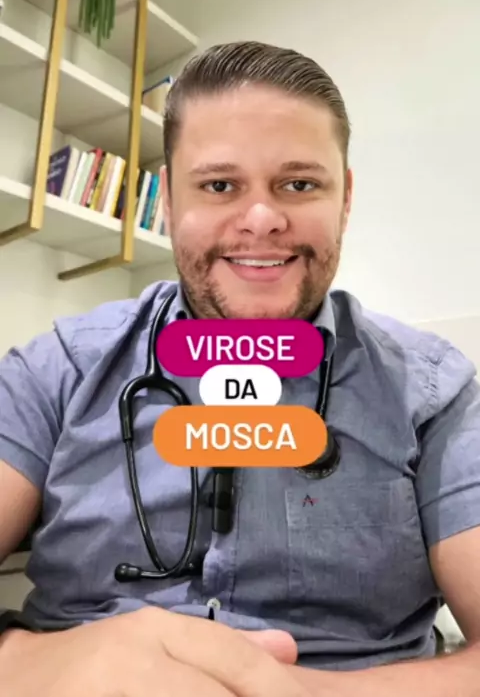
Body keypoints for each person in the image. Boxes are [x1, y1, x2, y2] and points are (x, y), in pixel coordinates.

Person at [0, 40, 479, 696]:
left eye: (299, 184)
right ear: (169, 201)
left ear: (345, 199)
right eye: (219, 185)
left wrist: (299, 693)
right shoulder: (56, 370)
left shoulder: (434, 392)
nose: (262, 220)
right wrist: (26, 662)